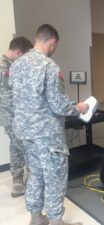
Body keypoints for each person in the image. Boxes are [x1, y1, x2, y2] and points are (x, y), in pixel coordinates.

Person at [10, 24, 88, 225]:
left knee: (35, 175)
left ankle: (36, 219)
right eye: (56, 46)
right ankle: (55, 222)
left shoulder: (16, 65)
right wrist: (79, 107)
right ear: (52, 42)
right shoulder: (48, 66)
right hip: (47, 135)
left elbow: (15, 99)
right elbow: (59, 106)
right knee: (55, 177)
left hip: (25, 133)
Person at [0, 36, 33, 197]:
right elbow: (9, 98)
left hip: (13, 116)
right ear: (18, 52)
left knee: (16, 145)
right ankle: (27, 180)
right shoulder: (5, 68)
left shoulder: (10, 66)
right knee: (24, 145)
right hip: (12, 116)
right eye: (24, 56)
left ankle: (18, 180)